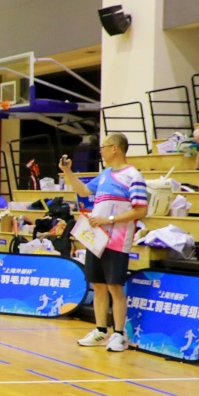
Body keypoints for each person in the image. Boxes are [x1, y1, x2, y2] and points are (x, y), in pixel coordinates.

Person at [61, 133, 148, 353]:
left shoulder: (133, 176)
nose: (100, 151)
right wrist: (68, 172)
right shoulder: (104, 174)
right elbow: (83, 191)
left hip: (117, 241)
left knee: (114, 287)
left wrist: (108, 219)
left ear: (115, 148)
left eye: (103, 147)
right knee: (98, 285)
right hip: (96, 240)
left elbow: (140, 211)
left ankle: (119, 334)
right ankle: (100, 330)